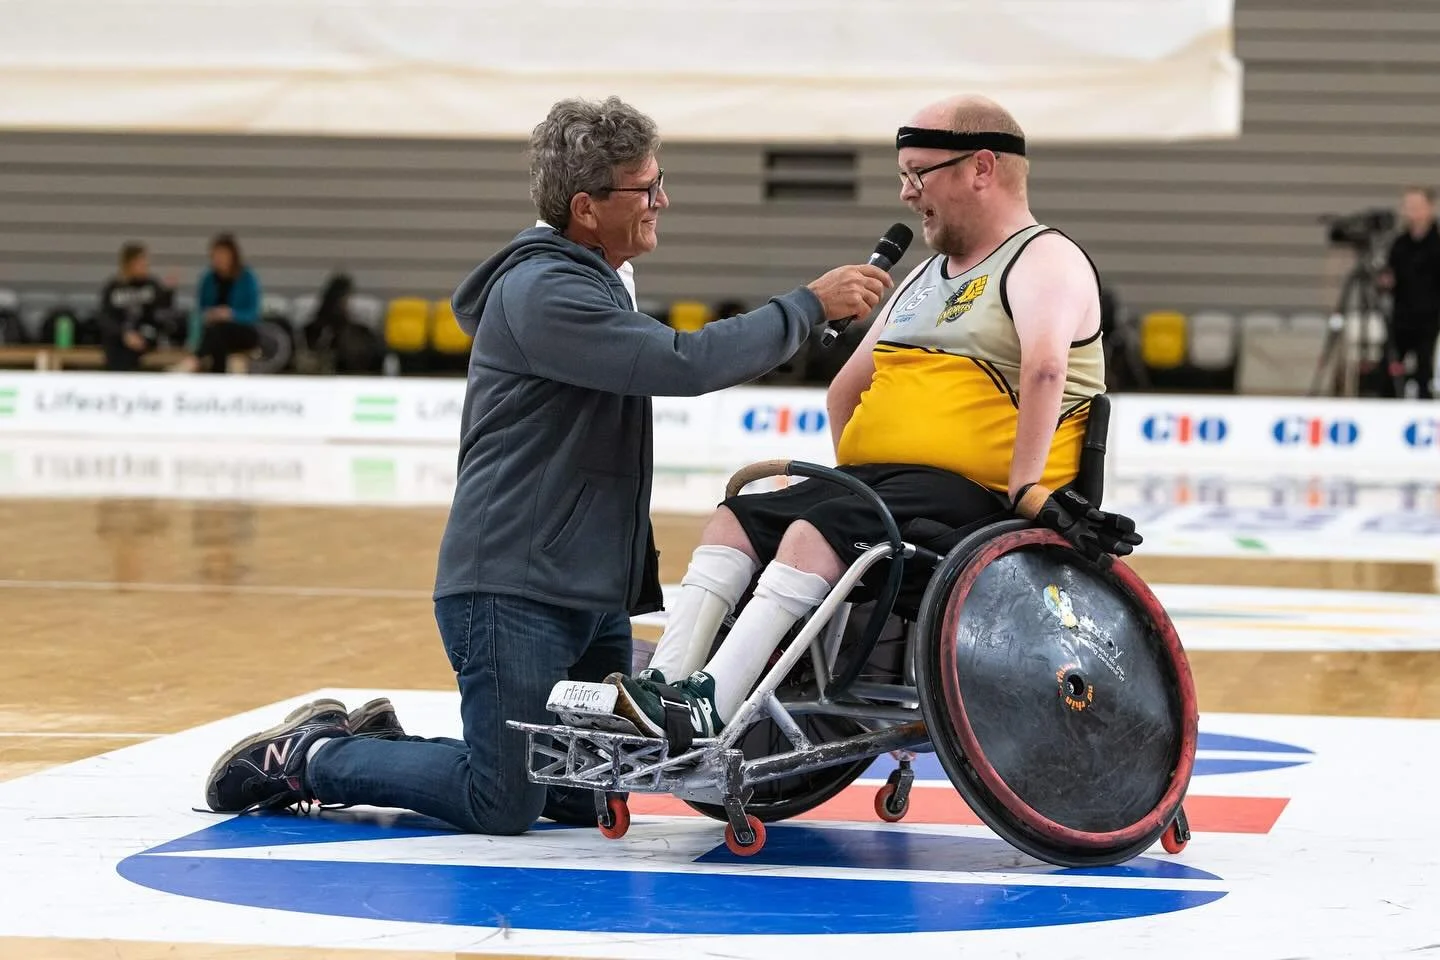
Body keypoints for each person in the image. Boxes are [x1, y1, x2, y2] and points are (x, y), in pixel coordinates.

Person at [201, 96, 892, 833]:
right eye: (645, 188)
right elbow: (682, 362)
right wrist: (805, 307)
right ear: (587, 207)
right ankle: (310, 758)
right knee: (500, 802)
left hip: (581, 592)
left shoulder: (591, 278)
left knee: (586, 784)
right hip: (512, 588)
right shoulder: (545, 292)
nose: (664, 199)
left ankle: (381, 744)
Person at [594, 94, 1143, 743]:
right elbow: (843, 392)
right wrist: (854, 487)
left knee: (817, 527)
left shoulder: (1044, 259)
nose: (907, 193)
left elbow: (1046, 370)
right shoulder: (925, 277)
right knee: (739, 516)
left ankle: (709, 704)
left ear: (982, 168)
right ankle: (667, 682)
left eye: (919, 173)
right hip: (894, 491)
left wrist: (1026, 489)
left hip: (983, 505)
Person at [1380, 187, 1440, 400]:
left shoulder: (1436, 243)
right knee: (1389, 367)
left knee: (1424, 369)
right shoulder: (1399, 244)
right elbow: (1390, 277)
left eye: (1416, 206)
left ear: (1429, 209)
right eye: (1407, 207)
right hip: (1401, 317)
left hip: (1429, 317)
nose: (1411, 212)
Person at [174, 233, 262, 373]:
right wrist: (210, 315)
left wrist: (231, 314)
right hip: (215, 331)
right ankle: (216, 371)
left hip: (242, 329)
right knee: (217, 334)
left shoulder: (247, 278)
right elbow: (201, 309)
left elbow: (253, 313)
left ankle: (197, 359)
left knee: (219, 330)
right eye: (216, 255)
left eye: (223, 255)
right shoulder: (208, 279)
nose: (219, 259)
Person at [96, 242, 174, 371]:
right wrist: (124, 334)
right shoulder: (113, 288)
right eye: (141, 262)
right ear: (129, 264)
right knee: (117, 348)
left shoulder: (152, 286)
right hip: (121, 336)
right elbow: (106, 318)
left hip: (146, 333)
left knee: (139, 341)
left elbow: (162, 313)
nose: (145, 266)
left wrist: (169, 293)